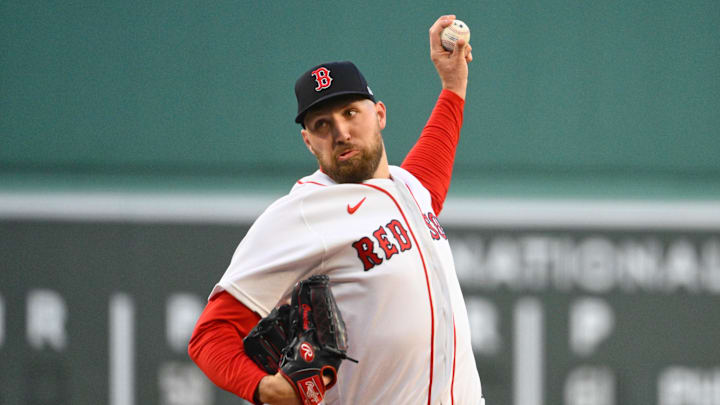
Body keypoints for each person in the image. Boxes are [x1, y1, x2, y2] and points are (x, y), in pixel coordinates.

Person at [189, 15, 484, 405]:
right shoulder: (303, 212)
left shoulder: (410, 188)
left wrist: (453, 86)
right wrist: (262, 388)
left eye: (350, 113)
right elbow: (211, 334)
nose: (341, 132)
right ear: (308, 141)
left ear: (379, 114)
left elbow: (431, 169)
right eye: (322, 123)